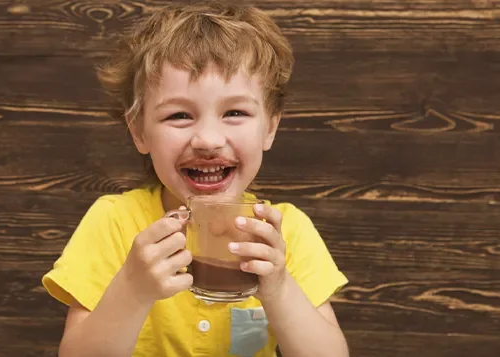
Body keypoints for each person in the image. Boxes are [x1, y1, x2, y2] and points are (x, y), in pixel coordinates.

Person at [42, 2, 349, 356]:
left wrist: (279, 289)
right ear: (139, 132)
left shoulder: (285, 232)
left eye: (234, 112)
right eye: (179, 115)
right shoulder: (114, 222)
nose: (207, 140)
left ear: (270, 128)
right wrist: (132, 289)